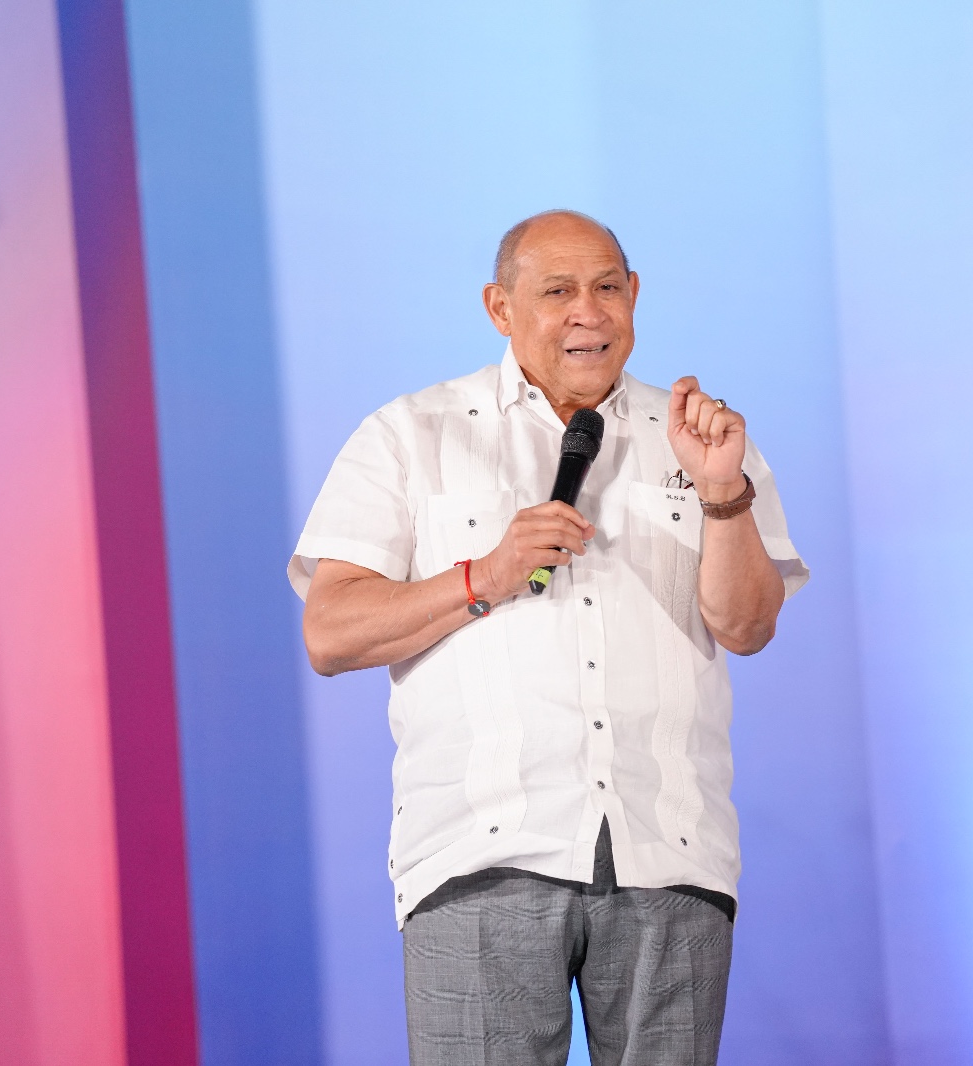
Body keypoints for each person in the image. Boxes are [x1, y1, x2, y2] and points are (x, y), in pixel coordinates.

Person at [289, 210, 808, 1065]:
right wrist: (483, 576)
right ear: (500, 307)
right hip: (481, 847)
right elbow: (330, 630)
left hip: (668, 848)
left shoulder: (705, 439)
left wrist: (723, 495)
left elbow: (748, 626)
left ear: (634, 295)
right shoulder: (413, 433)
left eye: (607, 287)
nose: (588, 312)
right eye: (558, 291)